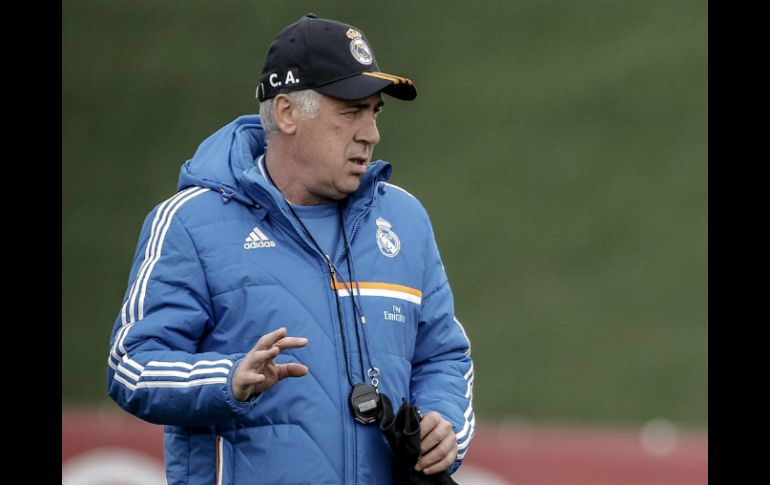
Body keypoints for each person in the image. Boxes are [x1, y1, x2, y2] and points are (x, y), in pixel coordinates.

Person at [106, 13, 474, 485]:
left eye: (374, 112)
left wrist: (444, 421)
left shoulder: (405, 219)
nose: (371, 133)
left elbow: (444, 357)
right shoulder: (189, 222)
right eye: (351, 112)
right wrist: (227, 379)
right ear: (286, 113)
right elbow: (131, 365)